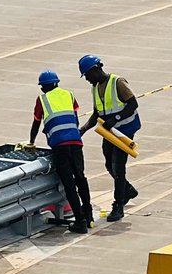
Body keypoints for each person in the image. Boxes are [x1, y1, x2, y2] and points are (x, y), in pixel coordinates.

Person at [78, 55, 141, 223]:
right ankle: (127, 190)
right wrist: (83, 129)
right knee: (108, 164)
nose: (88, 80)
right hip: (110, 133)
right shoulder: (95, 87)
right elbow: (97, 113)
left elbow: (133, 104)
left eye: (88, 75)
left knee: (118, 167)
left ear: (96, 69)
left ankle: (119, 204)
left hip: (124, 131)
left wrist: (117, 118)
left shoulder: (117, 82)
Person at [29, 70, 93, 234]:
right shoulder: (69, 95)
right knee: (80, 177)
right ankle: (89, 215)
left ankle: (80, 221)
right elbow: (75, 117)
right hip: (76, 141)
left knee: (69, 183)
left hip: (59, 145)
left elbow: (36, 123)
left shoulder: (42, 99)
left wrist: (31, 142)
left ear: (43, 87)